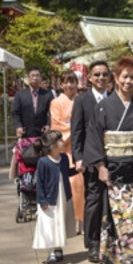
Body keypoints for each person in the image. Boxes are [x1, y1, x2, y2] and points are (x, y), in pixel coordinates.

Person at [83, 56, 133, 264]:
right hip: (112, 174)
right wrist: (100, 167)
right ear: (116, 78)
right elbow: (94, 137)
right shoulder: (103, 107)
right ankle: (121, 263)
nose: (129, 81)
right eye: (125, 77)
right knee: (114, 222)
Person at [71, 60, 112, 260]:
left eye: (104, 74)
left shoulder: (115, 97)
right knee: (93, 200)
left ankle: (111, 240)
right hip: (90, 158)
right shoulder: (82, 100)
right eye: (97, 74)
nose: (101, 78)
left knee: (111, 200)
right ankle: (93, 243)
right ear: (89, 78)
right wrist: (78, 157)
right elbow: (76, 130)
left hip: (113, 157)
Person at [32, 130, 79, 264]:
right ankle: (51, 252)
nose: (63, 142)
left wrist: (78, 169)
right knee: (49, 225)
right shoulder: (43, 162)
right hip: (49, 200)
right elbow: (40, 183)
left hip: (63, 197)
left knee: (60, 222)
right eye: (60, 141)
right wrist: (42, 200)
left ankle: (58, 249)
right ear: (52, 146)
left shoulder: (63, 158)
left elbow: (66, 172)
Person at [49, 70, 87, 236]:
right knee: (68, 187)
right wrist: (77, 129)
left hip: (81, 149)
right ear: (61, 85)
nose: (70, 85)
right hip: (65, 150)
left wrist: (78, 129)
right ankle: (69, 222)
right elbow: (57, 126)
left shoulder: (81, 100)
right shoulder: (56, 103)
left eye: (72, 81)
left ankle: (82, 222)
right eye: (66, 82)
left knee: (81, 187)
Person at [11, 66, 53, 140]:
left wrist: (48, 125)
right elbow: (15, 112)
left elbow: (52, 112)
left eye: (37, 75)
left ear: (40, 78)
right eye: (33, 75)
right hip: (25, 133)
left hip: (42, 134)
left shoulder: (47, 94)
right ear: (28, 78)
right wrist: (18, 126)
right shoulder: (20, 94)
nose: (35, 78)